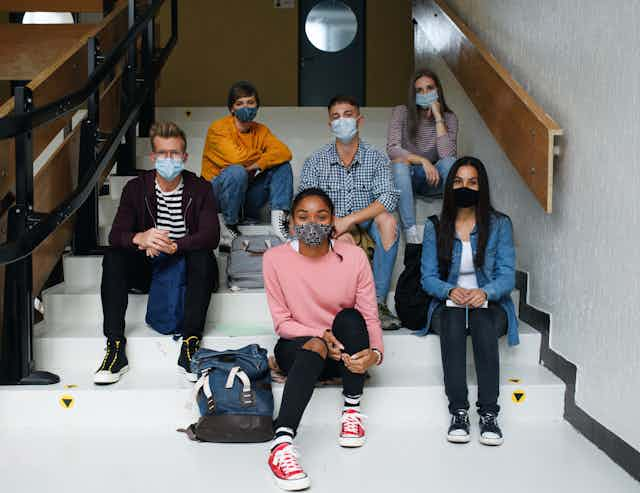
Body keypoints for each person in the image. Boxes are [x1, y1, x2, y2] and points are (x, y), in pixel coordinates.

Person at [263, 188, 384, 491]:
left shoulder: (354, 257)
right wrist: (320, 335)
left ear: (332, 221)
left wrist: (376, 353)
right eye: (303, 217)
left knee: (351, 318)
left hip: (343, 356)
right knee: (314, 344)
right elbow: (282, 322)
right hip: (299, 349)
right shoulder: (274, 259)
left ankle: (352, 410)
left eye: (321, 217)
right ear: (292, 223)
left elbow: (370, 315)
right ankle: (281, 444)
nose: (311, 224)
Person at [94, 122, 220, 385]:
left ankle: (190, 342)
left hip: (185, 265)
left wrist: (176, 245)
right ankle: (115, 347)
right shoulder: (135, 188)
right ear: (153, 157)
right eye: (163, 153)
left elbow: (211, 236)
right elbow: (115, 235)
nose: (169, 159)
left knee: (203, 256)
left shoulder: (200, 188)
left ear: (185, 157)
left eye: (175, 153)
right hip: (147, 266)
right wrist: (140, 238)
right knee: (114, 256)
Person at [419, 156, 518, 446]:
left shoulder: (499, 224)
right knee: (452, 318)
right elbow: (428, 277)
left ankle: (489, 413)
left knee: (480, 318)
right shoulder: (435, 226)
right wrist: (450, 291)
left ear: (481, 187)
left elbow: (506, 276)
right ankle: (458, 411)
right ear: (450, 187)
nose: (465, 187)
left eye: (472, 182)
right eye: (459, 181)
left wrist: (484, 293)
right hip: (447, 306)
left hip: (490, 306)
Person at [299, 94, 401, 330]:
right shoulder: (316, 160)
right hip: (331, 223)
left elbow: (388, 197)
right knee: (344, 240)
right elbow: (305, 201)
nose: (342, 121)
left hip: (362, 221)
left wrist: (351, 220)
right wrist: (334, 222)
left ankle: (378, 302)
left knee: (387, 221)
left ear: (359, 120)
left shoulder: (375, 157)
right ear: (329, 124)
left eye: (347, 115)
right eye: (335, 117)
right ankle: (354, 306)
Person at [201, 81, 293, 248]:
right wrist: (262, 158)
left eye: (250, 103)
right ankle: (228, 225)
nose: (246, 107)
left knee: (282, 166)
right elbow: (236, 159)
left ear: (257, 106)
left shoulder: (261, 130)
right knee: (236, 171)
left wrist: (255, 165)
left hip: (244, 195)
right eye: (240, 103)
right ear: (231, 109)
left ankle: (279, 221)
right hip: (217, 196)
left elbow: (285, 152)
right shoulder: (218, 129)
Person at [388, 68, 458, 244]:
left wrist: (438, 117)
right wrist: (423, 160)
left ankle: (450, 224)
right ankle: (411, 232)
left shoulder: (450, 118)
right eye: (419, 90)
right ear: (413, 94)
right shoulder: (401, 112)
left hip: (433, 179)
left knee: (452, 163)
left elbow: (447, 155)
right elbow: (393, 149)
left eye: (430, 88)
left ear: (438, 90)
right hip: (407, 177)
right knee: (399, 164)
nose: (425, 93)